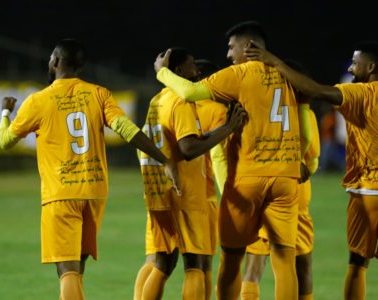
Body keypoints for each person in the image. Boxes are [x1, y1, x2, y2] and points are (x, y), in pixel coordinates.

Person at [0, 38, 179, 300]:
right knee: (77, 270)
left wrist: (5, 114)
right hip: (94, 192)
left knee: (67, 271)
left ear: (56, 61)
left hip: (60, 194)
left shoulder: (38, 101)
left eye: (51, 58)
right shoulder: (99, 94)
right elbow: (128, 131)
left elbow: (5, 141)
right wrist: (164, 159)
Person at [245, 41, 378, 300]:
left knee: (357, 264)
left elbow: (315, 90)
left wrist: (274, 61)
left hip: (368, 192)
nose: (352, 69)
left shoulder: (360, 93)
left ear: (371, 67)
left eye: (355, 63)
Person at [154, 21, 308, 300]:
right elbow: (307, 118)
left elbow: (189, 92)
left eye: (231, 47)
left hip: (248, 178)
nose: (227, 55)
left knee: (232, 257)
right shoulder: (290, 75)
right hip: (286, 177)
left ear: (248, 47)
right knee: (285, 259)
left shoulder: (238, 74)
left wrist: (162, 72)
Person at [135, 47, 246, 300]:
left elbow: (149, 145)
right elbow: (189, 148)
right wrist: (229, 127)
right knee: (196, 264)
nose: (196, 71)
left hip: (158, 192)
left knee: (161, 262)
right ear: (179, 71)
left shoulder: (157, 100)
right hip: (188, 192)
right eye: (192, 65)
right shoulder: (182, 101)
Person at [240, 60, 321, 300]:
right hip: (295, 195)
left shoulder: (260, 110)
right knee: (300, 263)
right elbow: (312, 159)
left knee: (254, 265)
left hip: (260, 189)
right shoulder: (306, 114)